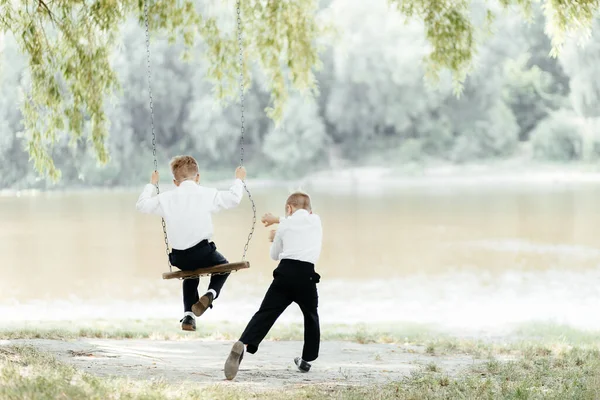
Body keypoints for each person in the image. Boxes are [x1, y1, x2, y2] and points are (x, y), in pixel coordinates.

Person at [136, 155, 246, 331]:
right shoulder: (207, 193)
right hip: (203, 253)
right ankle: (210, 294)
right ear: (198, 177)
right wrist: (239, 179)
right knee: (224, 266)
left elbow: (141, 205)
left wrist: (151, 183)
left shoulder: (166, 198)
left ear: (175, 181)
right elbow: (234, 199)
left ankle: (188, 316)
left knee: (189, 274)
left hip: (179, 257)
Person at [223, 192, 322, 380]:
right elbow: (300, 220)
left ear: (289, 208)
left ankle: (243, 343)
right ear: (309, 210)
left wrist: (276, 235)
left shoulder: (285, 225)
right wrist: (280, 222)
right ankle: (307, 359)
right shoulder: (315, 221)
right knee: (311, 316)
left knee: (265, 313)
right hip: (306, 276)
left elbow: (274, 255)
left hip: (284, 274)